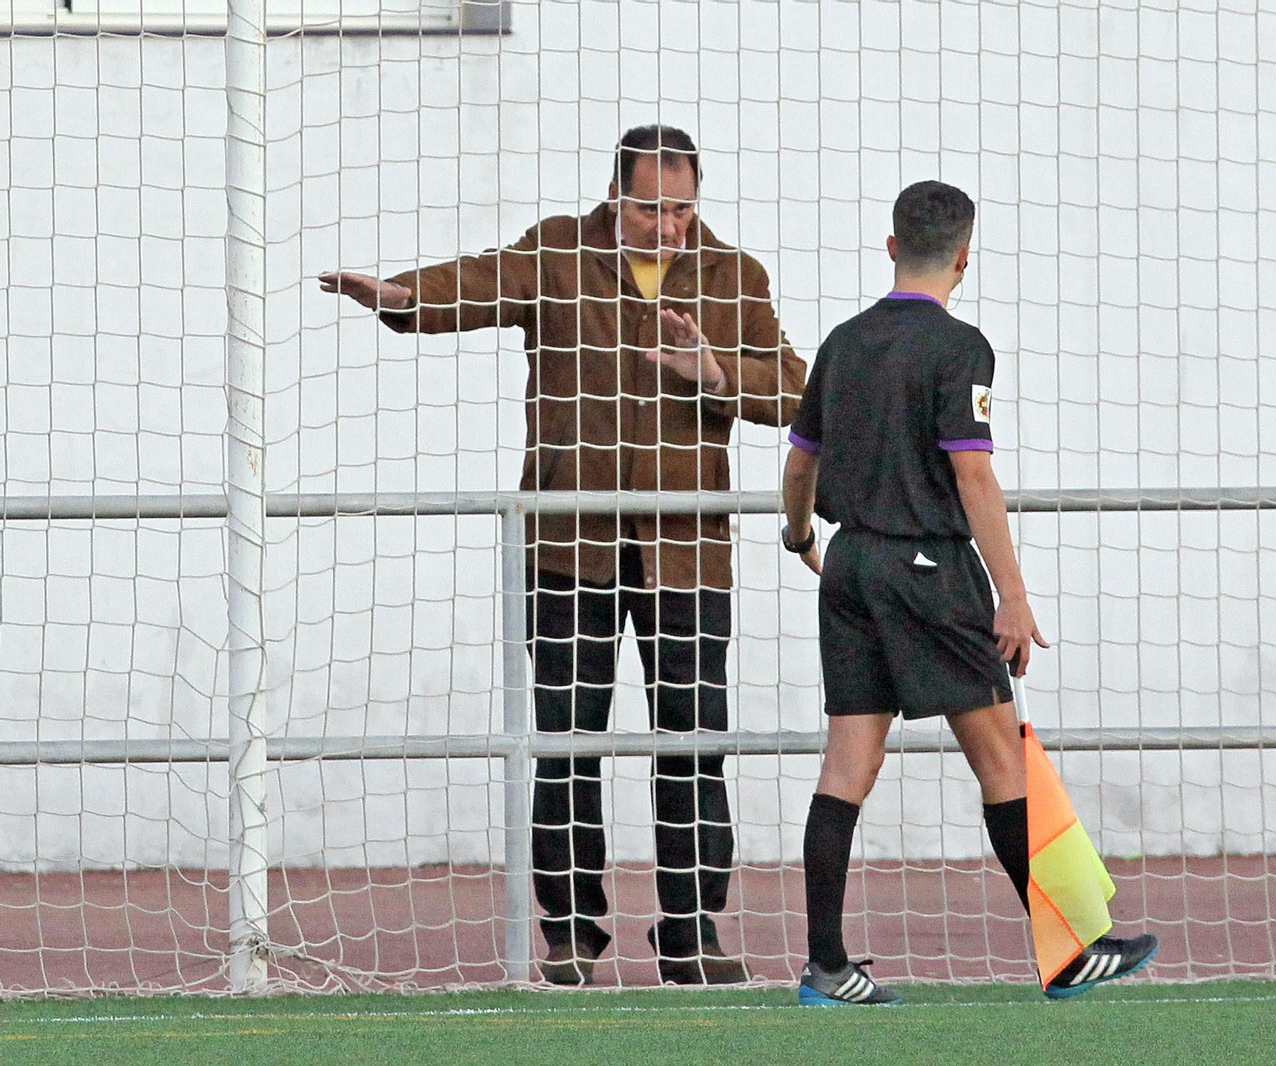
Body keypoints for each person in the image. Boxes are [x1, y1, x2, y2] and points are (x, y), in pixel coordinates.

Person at [321, 125, 806, 986]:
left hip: (687, 554)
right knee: (566, 742)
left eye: (683, 208)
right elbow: (474, 284)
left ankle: (691, 931)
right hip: (566, 547)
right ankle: (571, 933)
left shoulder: (737, 276)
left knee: (693, 742)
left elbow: (798, 388)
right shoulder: (556, 250)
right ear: (616, 196)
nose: (670, 227)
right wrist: (397, 296)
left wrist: (718, 370)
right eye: (653, 208)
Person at [779, 180, 1157, 1005]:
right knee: (1000, 758)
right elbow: (973, 472)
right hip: (927, 570)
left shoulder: (842, 343)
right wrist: (1012, 595)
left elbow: (800, 462)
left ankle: (826, 967)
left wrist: (802, 535)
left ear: (889, 248)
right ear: (963, 258)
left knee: (848, 760)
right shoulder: (961, 347)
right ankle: (1069, 954)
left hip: (849, 566)